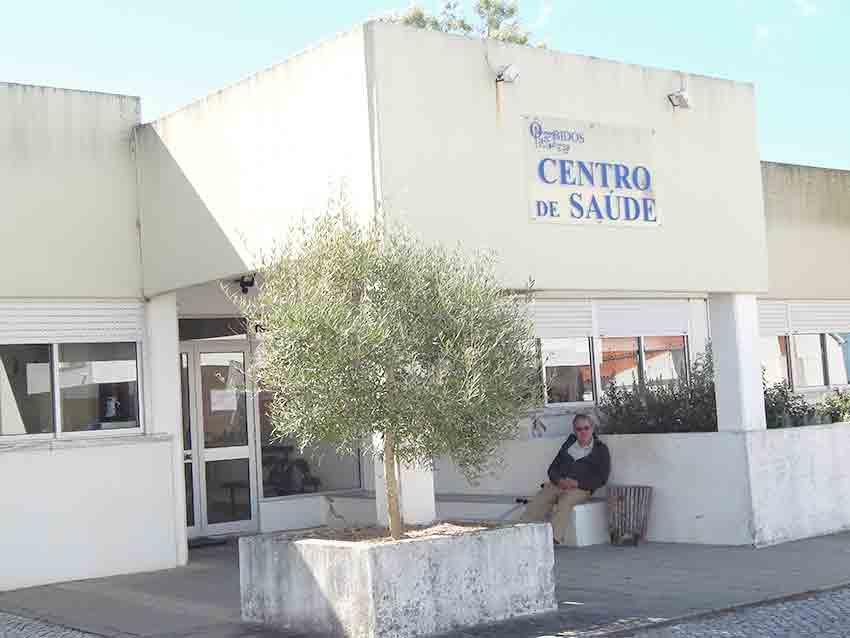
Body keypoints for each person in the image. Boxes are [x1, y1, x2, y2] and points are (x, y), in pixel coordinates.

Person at [521, 413, 611, 545]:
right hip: (559, 483)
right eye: (579, 429)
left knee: (565, 501)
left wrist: (578, 483)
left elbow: (602, 478)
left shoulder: (600, 450)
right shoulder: (569, 445)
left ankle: (552, 539)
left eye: (586, 428)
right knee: (541, 498)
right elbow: (552, 469)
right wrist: (559, 480)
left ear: (592, 428)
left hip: (581, 488)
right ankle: (522, 531)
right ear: (575, 430)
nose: (583, 432)